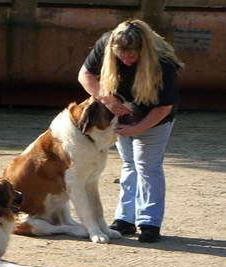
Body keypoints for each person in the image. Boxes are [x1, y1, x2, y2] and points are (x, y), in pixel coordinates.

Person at [78, 19, 184, 243]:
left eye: (131, 57)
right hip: (124, 112)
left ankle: (149, 222)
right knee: (128, 164)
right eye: (120, 56)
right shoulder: (106, 43)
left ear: (143, 51)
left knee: (147, 165)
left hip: (155, 116)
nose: (125, 61)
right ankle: (125, 219)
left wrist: (137, 128)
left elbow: (163, 108)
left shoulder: (163, 63)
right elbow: (85, 75)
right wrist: (106, 99)